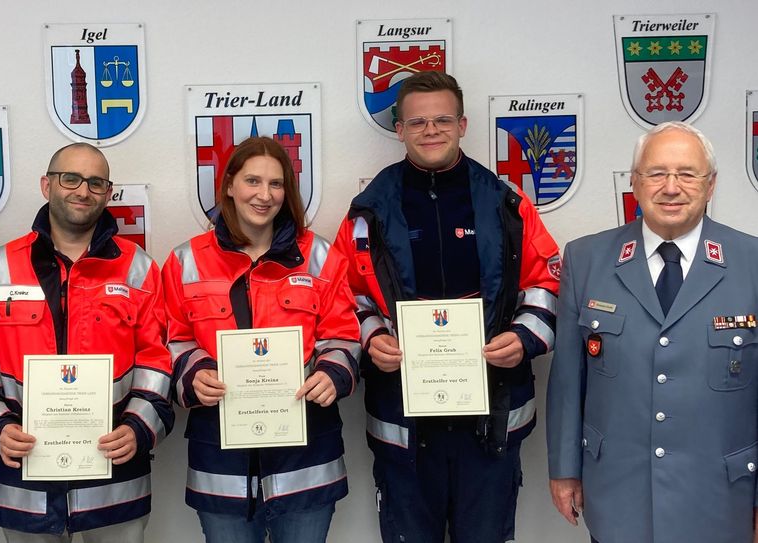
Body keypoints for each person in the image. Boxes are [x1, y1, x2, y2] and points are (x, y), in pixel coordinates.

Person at [333, 71, 561, 543]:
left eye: (441, 119)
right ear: (399, 129)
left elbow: (547, 284)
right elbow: (344, 295)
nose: (430, 130)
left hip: (491, 419)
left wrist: (522, 339)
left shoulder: (507, 204)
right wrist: (372, 337)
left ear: (462, 124)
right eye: (417, 122)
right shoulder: (367, 212)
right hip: (404, 423)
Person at [547, 122, 758, 543]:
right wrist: (565, 469)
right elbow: (569, 381)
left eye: (687, 174)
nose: (671, 187)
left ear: (711, 184)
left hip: (720, 498)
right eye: (657, 173)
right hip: (619, 495)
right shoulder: (587, 257)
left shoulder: (752, 261)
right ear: (636, 183)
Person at [0, 143, 173, 542]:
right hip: (25, 482)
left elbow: (156, 361)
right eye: (70, 178)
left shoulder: (139, 268)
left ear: (108, 193)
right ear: (47, 185)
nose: (82, 190)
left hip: (114, 483)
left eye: (95, 182)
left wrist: (140, 426)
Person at [162, 136, 361, 543]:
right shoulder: (185, 260)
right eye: (253, 181)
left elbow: (344, 334)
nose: (264, 195)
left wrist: (332, 373)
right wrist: (194, 372)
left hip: (306, 458)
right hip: (221, 461)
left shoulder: (321, 256)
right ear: (230, 185)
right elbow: (172, 338)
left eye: (276, 184)